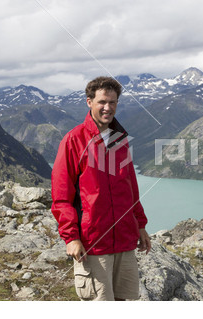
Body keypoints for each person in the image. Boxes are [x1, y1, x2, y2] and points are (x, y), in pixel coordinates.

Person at [51, 76, 151, 301]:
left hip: (124, 242)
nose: (108, 108)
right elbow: (61, 196)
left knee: (124, 301)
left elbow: (131, 190)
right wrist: (71, 237)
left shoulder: (119, 140)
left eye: (113, 102)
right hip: (93, 244)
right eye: (102, 102)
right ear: (89, 102)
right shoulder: (73, 140)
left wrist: (140, 226)